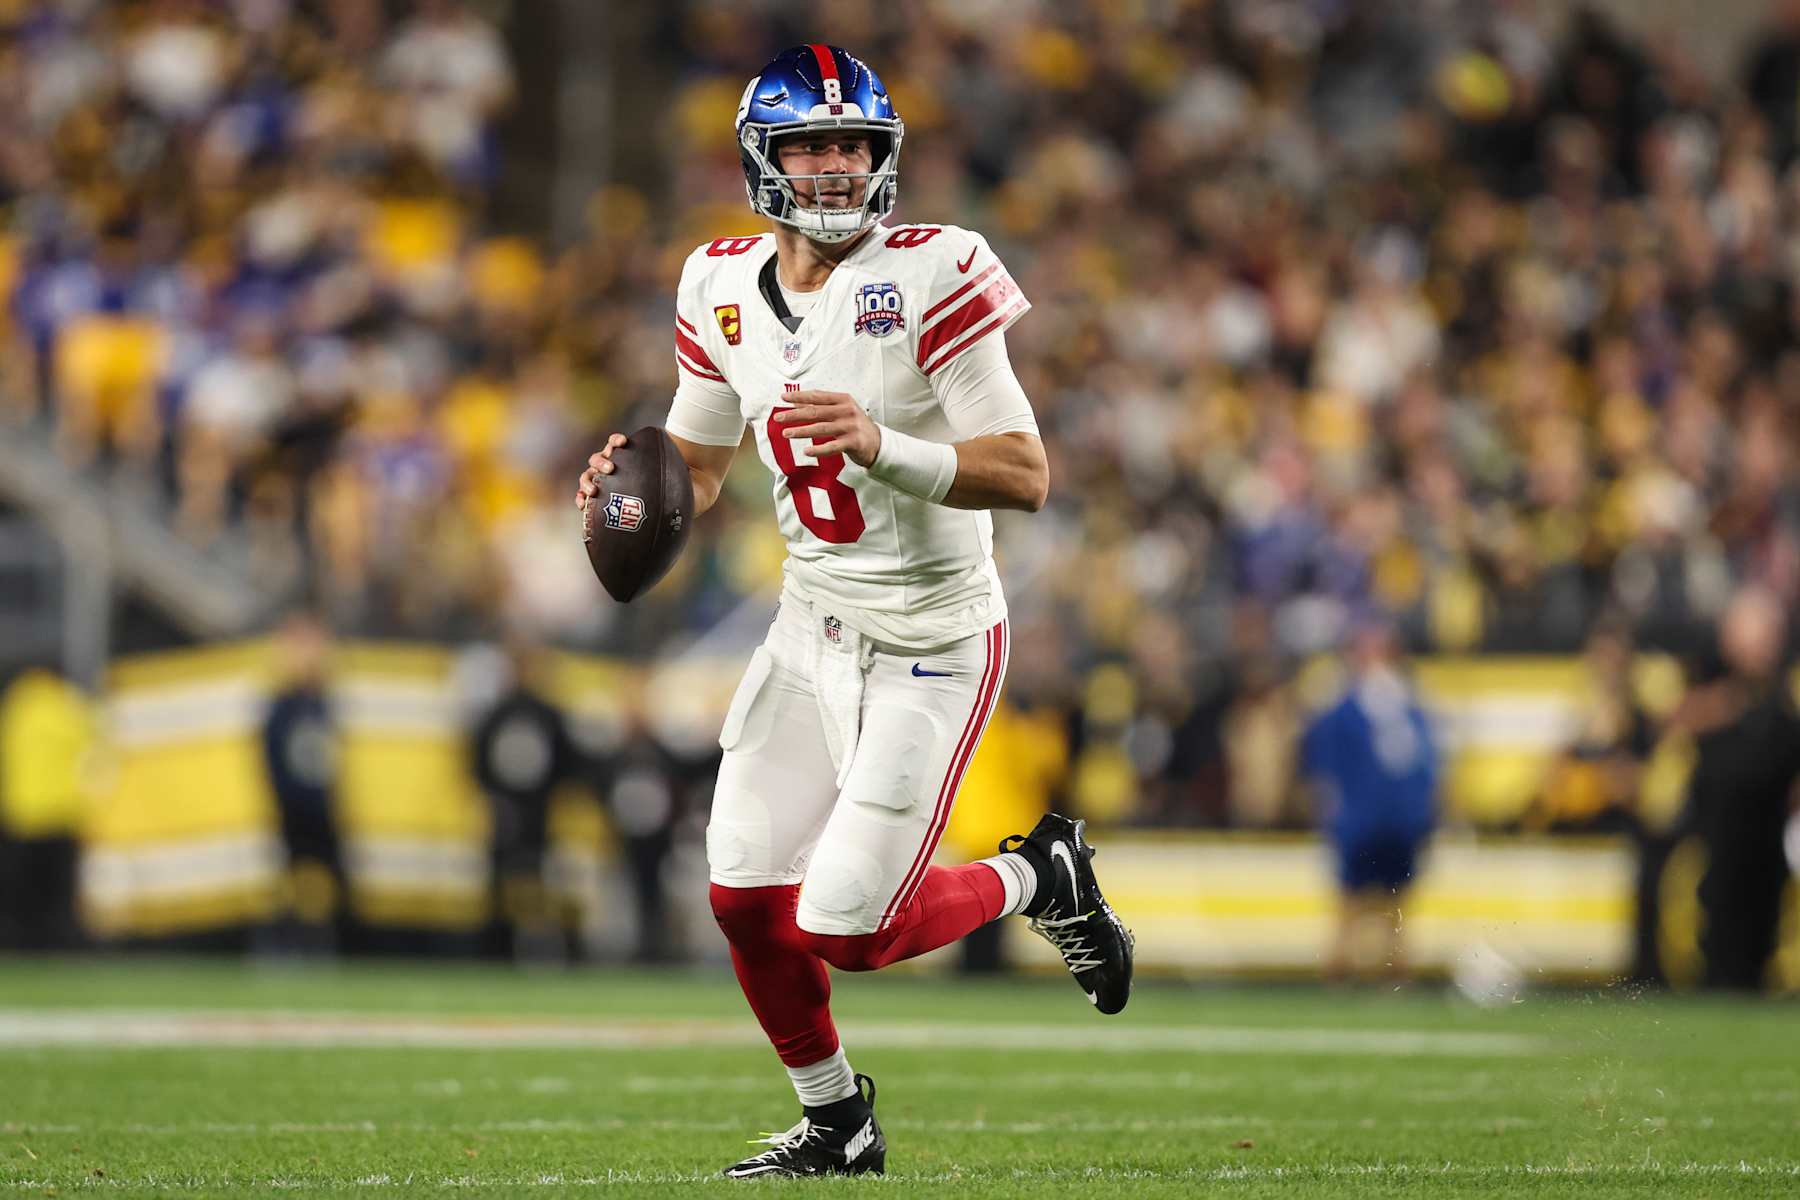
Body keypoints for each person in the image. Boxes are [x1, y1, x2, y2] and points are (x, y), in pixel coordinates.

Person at [574, 44, 1133, 1180]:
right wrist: (632, 489)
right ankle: (837, 1121)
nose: (835, 165)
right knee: (741, 892)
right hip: (809, 626)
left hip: (932, 638)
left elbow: (1024, 472)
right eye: (811, 145)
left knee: (849, 927)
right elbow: (701, 462)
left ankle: (1042, 877)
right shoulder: (716, 283)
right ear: (761, 159)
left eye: (854, 144)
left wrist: (884, 444)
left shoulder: (933, 268)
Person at [1300, 618, 1439, 983]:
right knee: (1351, 904)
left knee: (1397, 907)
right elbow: (1323, 772)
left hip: (1401, 822)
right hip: (1360, 822)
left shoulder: (1411, 712)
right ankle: (1341, 972)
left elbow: (1426, 769)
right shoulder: (1342, 714)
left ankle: (1392, 974)